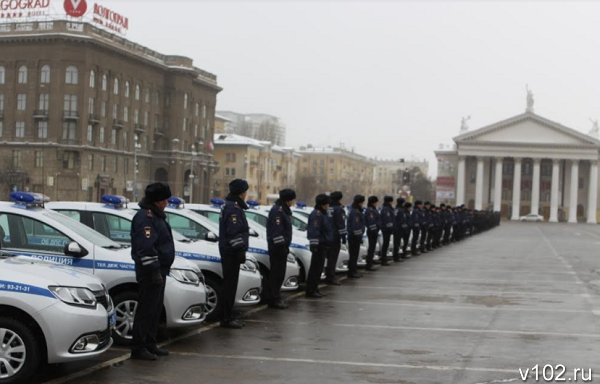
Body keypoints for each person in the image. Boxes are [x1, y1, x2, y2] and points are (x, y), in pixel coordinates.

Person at [130, 182, 175, 361]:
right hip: (150, 271)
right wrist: (154, 270)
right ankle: (138, 348)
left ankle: (150, 343)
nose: (167, 203)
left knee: (155, 310)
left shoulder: (156, 216)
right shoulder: (145, 218)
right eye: (165, 200)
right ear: (157, 201)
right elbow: (146, 248)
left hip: (159, 270)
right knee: (146, 310)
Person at [218, 179, 250, 329]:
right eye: (245, 191)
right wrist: (239, 250)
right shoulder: (233, 208)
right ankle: (226, 318)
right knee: (230, 286)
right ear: (241, 192)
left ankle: (228, 315)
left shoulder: (232, 206)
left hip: (230, 251)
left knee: (230, 285)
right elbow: (234, 232)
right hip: (231, 252)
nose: (246, 194)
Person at [266, 189, 296, 309]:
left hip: (281, 248)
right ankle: (273, 299)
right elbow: (277, 233)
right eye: (292, 199)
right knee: (276, 275)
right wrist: (281, 247)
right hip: (277, 249)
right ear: (288, 200)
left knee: (279, 274)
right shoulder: (277, 211)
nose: (293, 202)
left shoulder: (283, 210)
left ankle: (276, 296)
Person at [306, 194, 333, 298]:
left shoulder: (322, 214)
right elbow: (314, 231)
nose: (328, 205)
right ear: (323, 204)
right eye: (327, 203)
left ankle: (315, 288)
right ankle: (311, 290)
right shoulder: (317, 214)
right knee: (315, 269)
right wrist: (314, 245)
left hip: (322, 245)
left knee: (318, 269)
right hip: (318, 246)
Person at [326, 191, 346, 285]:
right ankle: (331, 277)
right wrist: (343, 236)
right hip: (335, 236)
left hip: (327, 236)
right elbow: (340, 224)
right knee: (333, 258)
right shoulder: (339, 209)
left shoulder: (327, 207)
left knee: (328, 257)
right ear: (339, 199)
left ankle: (328, 275)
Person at [347, 195, 366, 278]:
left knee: (354, 254)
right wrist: (359, 236)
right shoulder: (356, 212)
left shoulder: (355, 210)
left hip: (354, 236)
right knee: (354, 254)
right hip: (354, 237)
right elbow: (356, 225)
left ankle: (353, 270)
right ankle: (352, 271)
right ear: (360, 202)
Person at [365, 196, 381, 270]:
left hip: (374, 231)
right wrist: (375, 230)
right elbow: (371, 222)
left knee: (372, 248)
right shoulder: (370, 210)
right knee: (371, 248)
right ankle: (369, 264)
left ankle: (370, 262)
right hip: (372, 232)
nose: (377, 204)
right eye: (376, 202)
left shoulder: (373, 209)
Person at [379, 196, 394, 266]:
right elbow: (387, 220)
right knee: (385, 244)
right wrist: (390, 228)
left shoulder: (388, 208)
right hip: (386, 229)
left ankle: (384, 257)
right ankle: (383, 258)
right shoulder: (386, 209)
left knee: (386, 243)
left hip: (387, 229)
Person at [392, 198, 406, 262]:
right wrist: (404, 227)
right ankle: (396, 257)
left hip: (395, 228)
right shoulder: (401, 210)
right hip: (399, 228)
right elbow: (402, 220)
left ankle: (395, 256)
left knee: (396, 242)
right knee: (398, 243)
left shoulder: (395, 209)